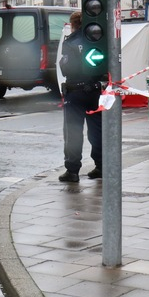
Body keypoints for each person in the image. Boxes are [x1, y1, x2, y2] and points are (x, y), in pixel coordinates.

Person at [57, 11, 104, 183]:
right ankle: (101, 165)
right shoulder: (97, 39)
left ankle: (72, 170)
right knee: (97, 130)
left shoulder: (71, 41)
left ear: (74, 24)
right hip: (95, 91)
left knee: (73, 132)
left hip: (75, 91)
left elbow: (67, 67)